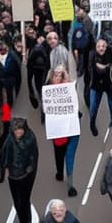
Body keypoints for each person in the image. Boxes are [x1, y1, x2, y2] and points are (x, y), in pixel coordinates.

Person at [0, 117, 39, 223]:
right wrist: (0, 164)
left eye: (20, 129)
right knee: (17, 203)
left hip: (25, 176)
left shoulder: (30, 139)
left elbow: (34, 156)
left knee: (24, 200)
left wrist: (29, 168)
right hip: (13, 176)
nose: (18, 132)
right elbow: (4, 154)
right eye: (16, 129)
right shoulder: (10, 139)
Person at [46, 65, 80, 197]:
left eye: (61, 74)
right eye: (56, 74)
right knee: (59, 154)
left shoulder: (70, 87)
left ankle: (70, 185)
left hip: (72, 129)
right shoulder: (49, 90)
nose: (59, 76)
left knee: (70, 157)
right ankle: (60, 171)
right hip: (58, 131)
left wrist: (66, 78)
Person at [88, 37, 112, 135]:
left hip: (108, 84)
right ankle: (92, 124)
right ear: (95, 47)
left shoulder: (111, 55)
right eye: (99, 46)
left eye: (103, 46)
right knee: (93, 108)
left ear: (106, 47)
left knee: (111, 103)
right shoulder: (92, 56)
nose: (101, 48)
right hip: (96, 85)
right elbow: (89, 70)